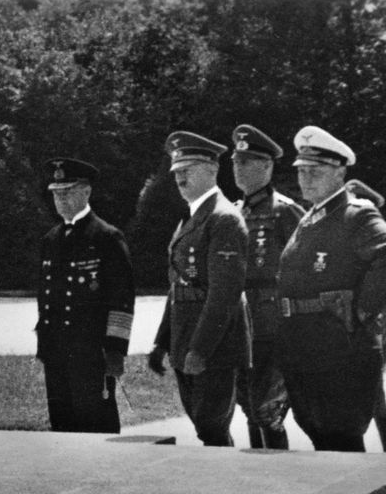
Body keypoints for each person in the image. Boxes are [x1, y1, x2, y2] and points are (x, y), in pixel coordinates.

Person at [276, 126, 386, 452]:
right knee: (323, 442)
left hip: (339, 351)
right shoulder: (311, 217)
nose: (306, 178)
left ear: (340, 172)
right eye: (302, 171)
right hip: (306, 348)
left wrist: (363, 308)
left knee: (343, 448)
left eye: (316, 171)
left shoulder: (354, 214)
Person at [148, 131, 249, 446]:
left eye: (187, 170)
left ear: (211, 170)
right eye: (177, 172)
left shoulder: (224, 220)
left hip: (213, 347)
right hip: (185, 341)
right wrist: (161, 342)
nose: (180, 178)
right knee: (205, 427)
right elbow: (177, 289)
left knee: (211, 426)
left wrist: (201, 349)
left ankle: (225, 489)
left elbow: (223, 296)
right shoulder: (190, 220)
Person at [36, 157, 135, 433]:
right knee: (62, 424)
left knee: (95, 424)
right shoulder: (51, 240)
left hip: (91, 352)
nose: (61, 199)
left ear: (86, 191)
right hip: (56, 351)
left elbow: (122, 300)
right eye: (56, 193)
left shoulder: (106, 237)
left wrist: (115, 350)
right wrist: (43, 344)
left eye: (67, 192)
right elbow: (45, 298)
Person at [229, 124, 305, 449]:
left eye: (246, 162)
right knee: (248, 406)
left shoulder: (284, 211)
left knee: (267, 409)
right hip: (240, 327)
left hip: (272, 326)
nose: (238, 168)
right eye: (235, 161)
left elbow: (303, 266)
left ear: (267, 166)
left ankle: (279, 476)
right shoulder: (232, 212)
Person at [346, 178, 386, 453]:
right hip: (354, 329)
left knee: (374, 398)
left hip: (375, 331)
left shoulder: (380, 244)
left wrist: (373, 330)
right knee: (368, 398)